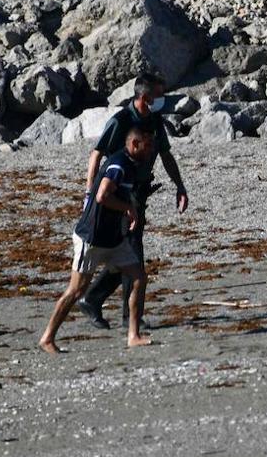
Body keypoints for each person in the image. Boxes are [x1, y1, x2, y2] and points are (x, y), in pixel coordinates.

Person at [77, 72, 188, 330]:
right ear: (145, 97)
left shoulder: (155, 121)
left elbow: (166, 155)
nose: (163, 100)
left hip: (139, 192)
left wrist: (180, 186)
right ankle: (116, 310)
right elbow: (96, 156)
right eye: (159, 96)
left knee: (128, 253)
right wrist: (89, 195)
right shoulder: (121, 121)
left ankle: (98, 301)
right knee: (131, 254)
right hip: (118, 194)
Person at [40, 126, 155, 353]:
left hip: (113, 239)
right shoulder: (118, 165)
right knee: (76, 290)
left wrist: (127, 212)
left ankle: (133, 335)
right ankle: (47, 337)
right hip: (91, 238)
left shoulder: (131, 165)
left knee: (139, 277)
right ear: (134, 144)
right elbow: (102, 196)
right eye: (147, 145)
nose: (151, 150)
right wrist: (129, 209)